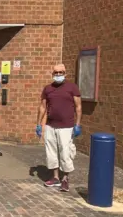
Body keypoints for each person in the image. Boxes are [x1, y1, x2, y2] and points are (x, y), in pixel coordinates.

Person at [36, 64, 82, 192]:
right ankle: (55, 177)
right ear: (52, 74)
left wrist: (77, 125)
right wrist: (39, 124)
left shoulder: (72, 87)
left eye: (61, 72)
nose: (58, 74)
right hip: (50, 126)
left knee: (65, 152)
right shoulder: (48, 89)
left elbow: (78, 107)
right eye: (56, 72)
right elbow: (42, 107)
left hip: (67, 127)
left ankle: (65, 179)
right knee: (51, 152)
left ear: (65, 73)